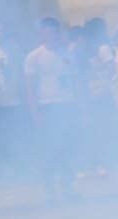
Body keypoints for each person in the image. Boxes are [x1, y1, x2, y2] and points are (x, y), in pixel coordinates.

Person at [23, 16, 79, 201]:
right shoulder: (33, 57)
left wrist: (80, 107)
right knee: (48, 150)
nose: (52, 35)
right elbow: (30, 88)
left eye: (55, 32)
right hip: (46, 106)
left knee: (66, 147)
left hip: (66, 104)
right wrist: (35, 113)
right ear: (41, 34)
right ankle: (49, 189)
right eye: (48, 32)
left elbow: (75, 82)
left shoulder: (67, 54)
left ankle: (67, 186)